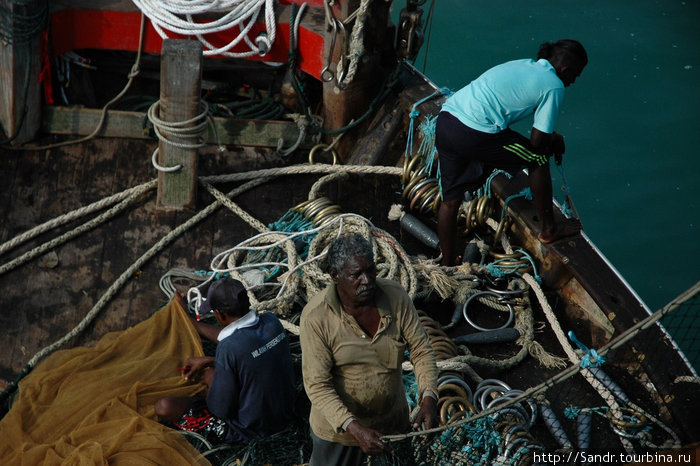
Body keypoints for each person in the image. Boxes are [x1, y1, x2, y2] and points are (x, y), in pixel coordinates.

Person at [435, 39, 588, 266]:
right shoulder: (554, 84)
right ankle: (549, 229)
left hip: (447, 121)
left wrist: (551, 137)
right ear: (565, 70)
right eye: (575, 75)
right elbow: (537, 143)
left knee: (450, 201)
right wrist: (553, 140)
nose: (573, 82)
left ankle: (447, 262)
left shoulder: (523, 64)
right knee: (537, 158)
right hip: (474, 133)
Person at [300, 233, 439, 465]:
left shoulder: (396, 297)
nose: (367, 280)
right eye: (356, 275)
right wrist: (354, 428)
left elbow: (421, 350)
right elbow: (317, 385)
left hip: (392, 423)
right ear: (335, 276)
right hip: (339, 434)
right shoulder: (316, 318)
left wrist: (429, 397)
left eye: (371, 271)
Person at [154, 277, 296, 444]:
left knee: (164, 407)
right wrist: (192, 325)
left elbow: (220, 409)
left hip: (252, 431)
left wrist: (210, 380)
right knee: (213, 374)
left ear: (220, 314)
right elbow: (244, 348)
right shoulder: (271, 322)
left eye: (214, 312)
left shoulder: (229, 349)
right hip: (285, 414)